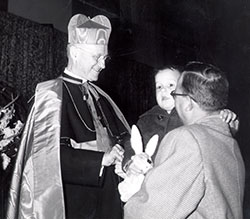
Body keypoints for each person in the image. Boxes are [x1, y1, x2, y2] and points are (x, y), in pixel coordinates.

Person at [7, 14, 131, 219]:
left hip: (108, 202)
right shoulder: (50, 95)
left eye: (105, 58)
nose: (103, 64)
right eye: (96, 57)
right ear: (74, 52)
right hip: (71, 205)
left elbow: (123, 137)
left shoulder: (102, 97)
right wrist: (101, 159)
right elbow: (45, 159)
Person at [124, 61, 245, 219]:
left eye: (175, 93)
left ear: (188, 103)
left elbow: (152, 213)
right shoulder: (229, 140)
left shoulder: (188, 138)